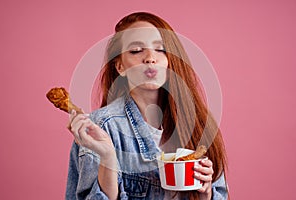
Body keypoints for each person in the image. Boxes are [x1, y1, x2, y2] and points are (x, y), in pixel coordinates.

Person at [66, 12, 229, 200]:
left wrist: (206, 193)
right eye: (136, 50)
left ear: (170, 62)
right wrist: (108, 158)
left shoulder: (199, 124)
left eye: (160, 50)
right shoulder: (100, 127)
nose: (150, 58)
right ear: (120, 67)